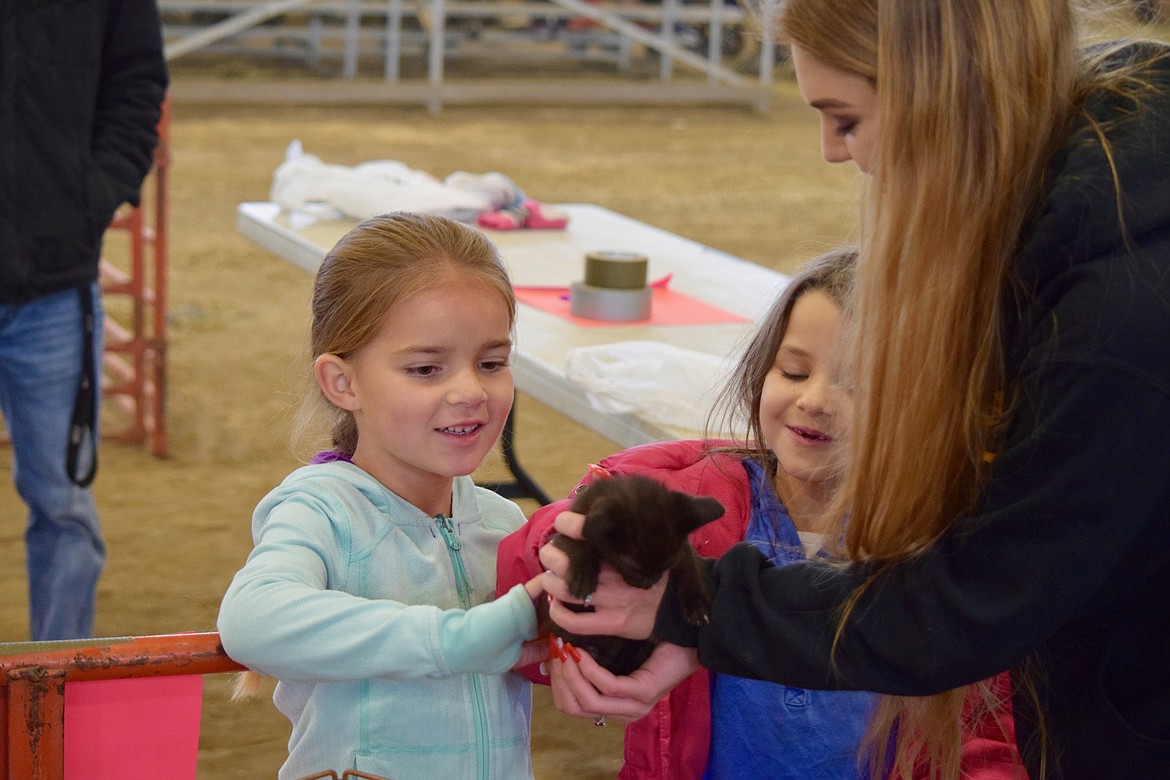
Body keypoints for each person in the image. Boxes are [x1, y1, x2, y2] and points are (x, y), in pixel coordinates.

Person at [538, 2, 1170, 778]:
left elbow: (975, 602)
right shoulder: (1087, 227)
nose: (837, 154)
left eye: (845, 119)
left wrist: (691, 608)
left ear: (941, 93)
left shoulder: (1121, 311)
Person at [509, 248, 1023, 779]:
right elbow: (521, 572)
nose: (815, 399)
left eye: (856, 383)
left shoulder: (953, 547)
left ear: (932, 404)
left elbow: (987, 742)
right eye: (794, 371)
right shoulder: (691, 498)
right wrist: (570, 582)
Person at [217, 212, 544, 780]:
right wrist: (456, 640)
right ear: (342, 382)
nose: (470, 390)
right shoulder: (322, 510)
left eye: (492, 363)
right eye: (425, 368)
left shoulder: (502, 521)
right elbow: (250, 619)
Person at [0, 0, 168, 641]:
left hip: (54, 288)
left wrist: (90, 198)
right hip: (57, 278)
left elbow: (137, 83)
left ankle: (54, 697)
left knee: (63, 505)